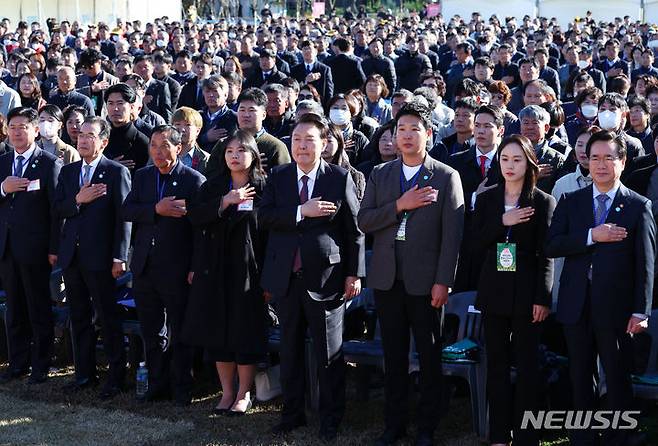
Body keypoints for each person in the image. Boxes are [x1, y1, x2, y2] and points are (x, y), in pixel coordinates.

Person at [358, 101, 464, 446]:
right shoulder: (380, 174)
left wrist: (444, 280)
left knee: (429, 354)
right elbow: (365, 220)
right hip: (388, 279)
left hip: (426, 280)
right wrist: (399, 206)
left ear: (429, 134)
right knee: (394, 353)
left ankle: (427, 425)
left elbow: (453, 236)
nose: (405, 136)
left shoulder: (446, 176)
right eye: (400, 129)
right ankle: (395, 423)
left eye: (414, 129)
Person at [259, 113, 365, 442]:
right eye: (297, 140)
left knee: (328, 353)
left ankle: (330, 416)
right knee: (289, 351)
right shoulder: (278, 176)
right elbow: (263, 217)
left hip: (328, 279)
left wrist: (354, 273)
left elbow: (355, 230)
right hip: (286, 280)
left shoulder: (338, 177)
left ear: (324, 145)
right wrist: (299, 212)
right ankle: (292, 413)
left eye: (309, 140)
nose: (302, 146)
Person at [545, 130, 655, 446]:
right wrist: (592, 235)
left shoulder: (637, 205)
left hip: (616, 307)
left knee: (616, 373)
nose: (601, 164)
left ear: (622, 162)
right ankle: (584, 435)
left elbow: (645, 264)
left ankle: (620, 435)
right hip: (576, 304)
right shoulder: (571, 200)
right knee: (580, 374)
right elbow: (552, 245)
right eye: (595, 158)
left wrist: (640, 309)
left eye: (609, 157)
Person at [473, 134, 555, 446]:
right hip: (493, 290)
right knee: (495, 364)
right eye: (505, 159)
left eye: (517, 159)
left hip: (526, 293)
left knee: (527, 366)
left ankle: (526, 435)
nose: (510, 165)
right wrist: (501, 221)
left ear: (529, 163)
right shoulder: (487, 199)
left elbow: (547, 254)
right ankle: (498, 435)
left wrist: (542, 297)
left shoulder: (543, 201)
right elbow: (474, 244)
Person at [183, 130, 268, 416]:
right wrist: (225, 202)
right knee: (218, 332)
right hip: (214, 268)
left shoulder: (265, 187)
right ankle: (227, 392)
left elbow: (270, 232)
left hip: (249, 271)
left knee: (244, 333)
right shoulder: (212, 187)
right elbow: (195, 218)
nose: (235, 156)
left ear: (253, 155)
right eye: (230, 151)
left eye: (241, 151)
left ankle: (244, 393)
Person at [121, 125, 206, 406]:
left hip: (178, 268)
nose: (158, 151)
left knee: (180, 330)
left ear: (178, 148)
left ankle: (182, 385)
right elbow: (127, 210)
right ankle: (157, 384)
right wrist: (154, 210)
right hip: (145, 266)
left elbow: (201, 231)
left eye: (164, 146)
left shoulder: (194, 181)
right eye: (154, 146)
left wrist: (195, 266)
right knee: (151, 329)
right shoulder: (143, 177)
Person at [53, 116, 131, 399]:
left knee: (107, 318)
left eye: (90, 135)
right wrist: (78, 199)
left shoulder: (116, 172)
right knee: (79, 316)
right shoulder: (69, 171)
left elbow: (124, 219)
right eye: (80, 134)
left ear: (104, 141)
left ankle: (116, 377)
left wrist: (119, 257)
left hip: (101, 258)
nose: (82, 139)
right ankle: (84, 374)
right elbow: (60, 207)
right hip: (72, 256)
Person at [0, 107, 62, 385]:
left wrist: (53, 248)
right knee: (14, 308)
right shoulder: (2, 162)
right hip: (6, 247)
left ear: (36, 129)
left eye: (23, 126)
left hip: (36, 249)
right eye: (12, 126)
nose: (16, 132)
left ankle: (42, 363)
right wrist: (3, 188)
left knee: (37, 307)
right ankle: (18, 362)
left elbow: (56, 211)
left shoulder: (49, 163)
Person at [447, 104, 504, 292]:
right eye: (478, 125)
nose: (481, 131)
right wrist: (474, 198)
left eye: (487, 126)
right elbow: (447, 202)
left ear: (500, 130)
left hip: (499, 245)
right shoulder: (455, 161)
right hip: (465, 247)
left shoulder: (510, 162)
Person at [206, 88, 291, 178]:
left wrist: (255, 168)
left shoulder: (275, 147)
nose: (246, 115)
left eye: (251, 110)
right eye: (242, 110)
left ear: (263, 115)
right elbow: (210, 177)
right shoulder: (224, 143)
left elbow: (284, 181)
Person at [103, 83, 150, 171]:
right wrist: (110, 166)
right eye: (110, 103)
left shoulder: (142, 142)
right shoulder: (100, 138)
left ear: (131, 107)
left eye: (120, 103)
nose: (115, 108)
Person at [198, 75, 238, 153]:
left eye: (215, 91)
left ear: (225, 94)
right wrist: (205, 138)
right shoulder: (198, 117)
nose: (211, 95)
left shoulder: (235, 118)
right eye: (207, 91)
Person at [290, 40, 334, 107]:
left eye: (310, 48)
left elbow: (329, 91)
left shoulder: (324, 69)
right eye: (304, 49)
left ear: (316, 52)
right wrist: (305, 81)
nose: (307, 51)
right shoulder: (295, 69)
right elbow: (293, 89)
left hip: (319, 105)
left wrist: (327, 107)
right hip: (300, 105)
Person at [172, 107, 210, 174]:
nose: (182, 129)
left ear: (197, 131)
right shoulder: (163, 155)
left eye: (187, 125)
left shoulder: (206, 160)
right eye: (177, 124)